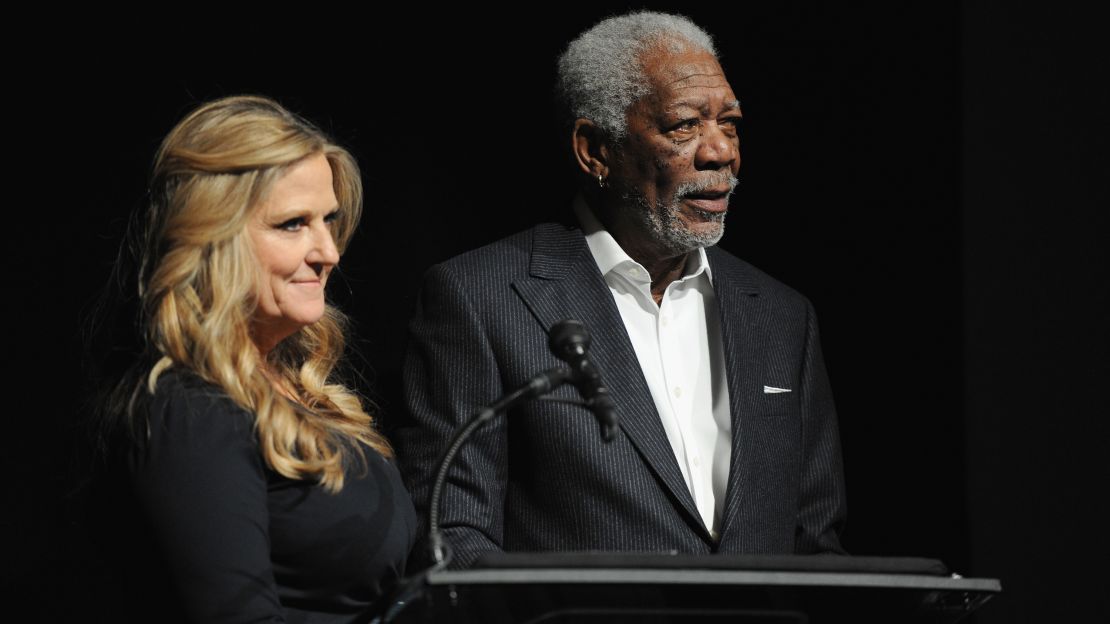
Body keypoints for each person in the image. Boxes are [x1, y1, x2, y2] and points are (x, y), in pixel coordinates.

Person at [396, 11, 846, 570]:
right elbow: (452, 537)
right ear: (595, 151)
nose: (720, 153)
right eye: (684, 126)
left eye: (729, 124)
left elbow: (816, 546)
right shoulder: (481, 299)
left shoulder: (782, 316)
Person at [99, 95, 416, 622]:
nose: (328, 252)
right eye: (293, 224)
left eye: (329, 220)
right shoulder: (189, 409)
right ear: (212, 236)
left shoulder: (295, 386)